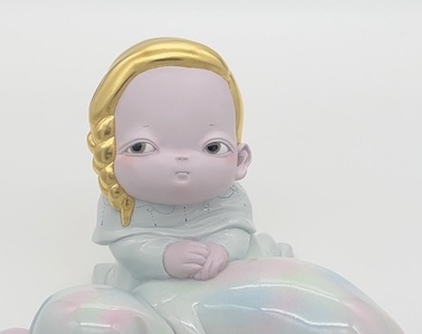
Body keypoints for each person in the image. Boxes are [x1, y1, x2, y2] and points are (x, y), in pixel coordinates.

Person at [87, 38, 291, 289]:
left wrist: (223, 249)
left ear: (241, 160)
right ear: (109, 156)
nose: (181, 158)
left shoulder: (229, 197)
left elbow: (237, 231)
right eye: (141, 147)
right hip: (146, 283)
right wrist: (163, 257)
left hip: (224, 277)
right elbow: (128, 248)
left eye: (212, 147)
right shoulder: (121, 203)